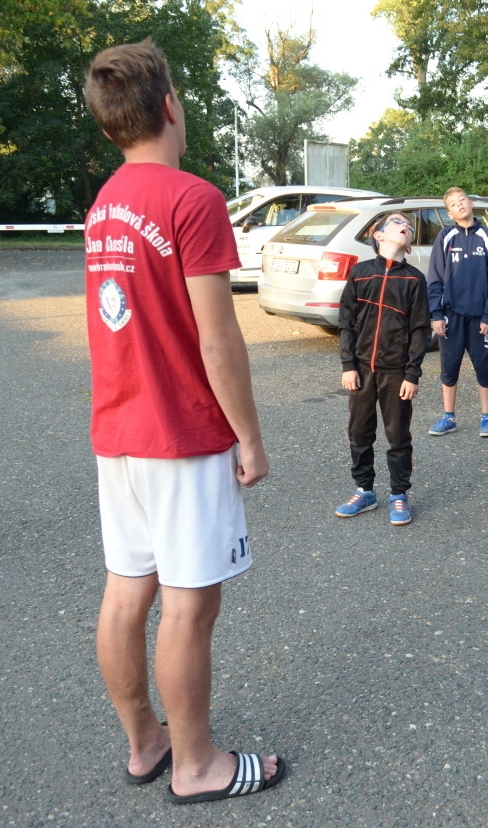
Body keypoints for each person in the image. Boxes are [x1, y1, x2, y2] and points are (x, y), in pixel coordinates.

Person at [83, 39, 284, 804]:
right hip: (182, 434)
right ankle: (197, 765)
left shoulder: (105, 204)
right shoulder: (191, 197)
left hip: (119, 433)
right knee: (190, 604)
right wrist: (252, 437)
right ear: (169, 105)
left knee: (127, 590)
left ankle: (146, 743)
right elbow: (218, 335)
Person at [335, 212, 432, 525]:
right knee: (359, 432)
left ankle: (399, 494)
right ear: (378, 235)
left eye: (409, 226)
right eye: (396, 223)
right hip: (362, 369)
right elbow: (346, 322)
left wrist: (412, 373)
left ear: (409, 244)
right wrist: (349, 364)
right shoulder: (361, 273)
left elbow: (420, 329)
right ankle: (364, 490)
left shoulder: (414, 279)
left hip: (396, 372)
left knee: (397, 434)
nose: (405, 226)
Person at [426, 188, 488, 438]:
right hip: (451, 316)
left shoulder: (487, 235)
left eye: (462, 200)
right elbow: (435, 278)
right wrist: (436, 314)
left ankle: (487, 418)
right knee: (449, 367)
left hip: (479, 317)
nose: (459, 205)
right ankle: (449, 417)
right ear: (449, 213)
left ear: (471, 203)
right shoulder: (445, 237)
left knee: (483, 366)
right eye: (453, 204)